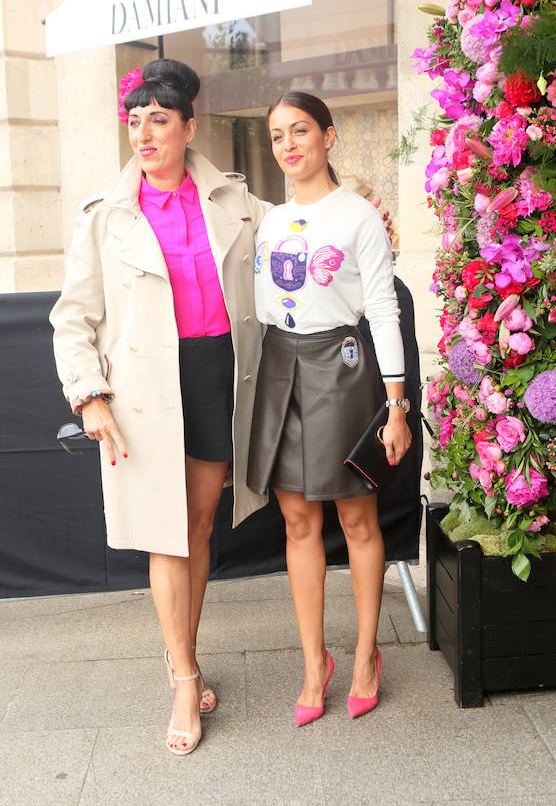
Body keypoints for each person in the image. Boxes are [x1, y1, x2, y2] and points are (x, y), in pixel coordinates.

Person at [50, 58, 272, 756]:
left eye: (158, 120)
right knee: (163, 531)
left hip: (215, 374)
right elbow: (72, 318)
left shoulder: (235, 199)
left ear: (188, 127)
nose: (143, 134)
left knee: (199, 524)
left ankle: (184, 652)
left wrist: (359, 207)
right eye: (135, 121)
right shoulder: (105, 215)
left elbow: (300, 231)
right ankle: (184, 676)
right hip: (143, 390)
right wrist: (89, 395)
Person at [248, 91, 412, 726]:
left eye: (300, 131)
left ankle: (368, 654)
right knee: (297, 523)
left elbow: (383, 310)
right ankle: (315, 661)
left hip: (342, 372)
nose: (289, 145)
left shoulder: (359, 218)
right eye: (277, 136)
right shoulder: (268, 221)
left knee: (357, 520)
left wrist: (396, 406)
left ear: (329, 136)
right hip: (279, 368)